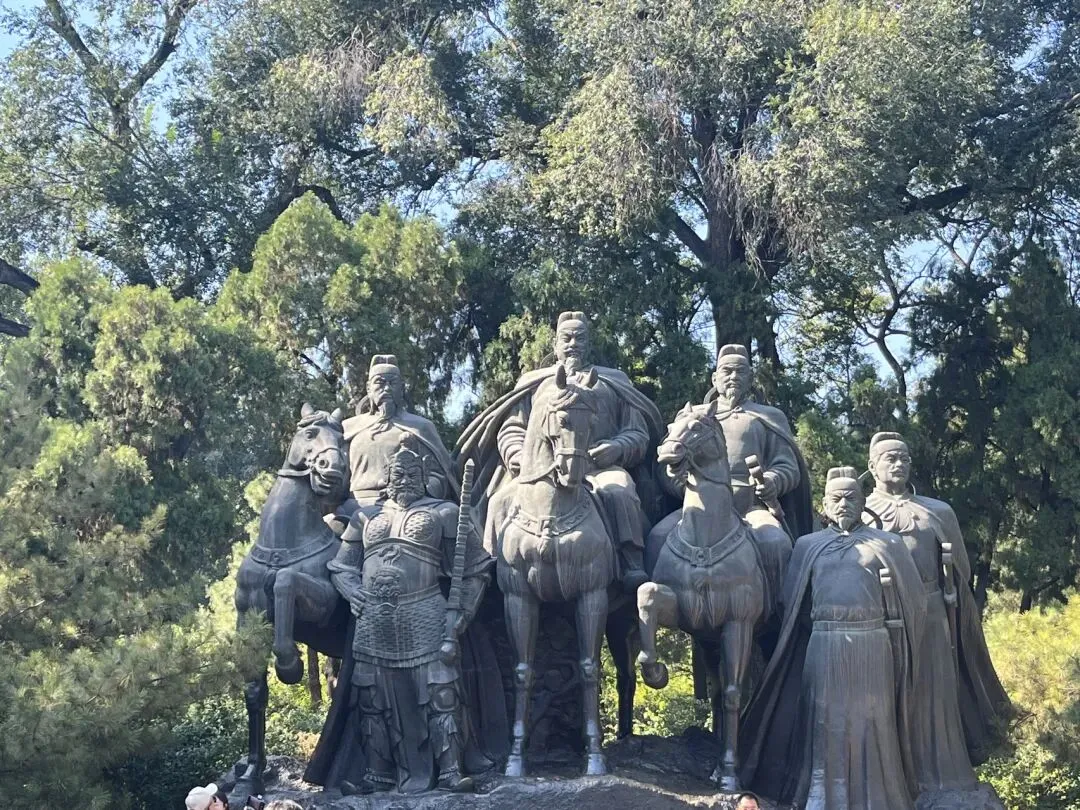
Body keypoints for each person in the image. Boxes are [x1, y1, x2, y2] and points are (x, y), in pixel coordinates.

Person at [307, 436, 493, 793]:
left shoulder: (445, 513)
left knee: (441, 694)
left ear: (424, 477)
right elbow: (342, 567)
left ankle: (450, 770)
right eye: (398, 473)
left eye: (412, 473)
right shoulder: (365, 516)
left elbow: (475, 569)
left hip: (426, 613)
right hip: (374, 620)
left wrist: (461, 615)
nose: (405, 479)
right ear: (387, 477)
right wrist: (352, 591)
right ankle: (378, 773)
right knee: (371, 698)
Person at [740, 467, 926, 810]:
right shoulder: (808, 546)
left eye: (851, 498)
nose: (843, 504)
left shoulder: (888, 544)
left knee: (873, 717)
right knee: (823, 718)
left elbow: (914, 600)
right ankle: (819, 796)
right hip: (823, 643)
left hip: (873, 644)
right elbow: (789, 603)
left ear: (863, 502)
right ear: (824, 504)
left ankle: (877, 798)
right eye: (836, 498)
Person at [456, 311, 665, 591]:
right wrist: (519, 457)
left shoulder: (613, 382)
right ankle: (491, 569)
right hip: (539, 474)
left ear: (589, 344)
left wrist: (617, 448)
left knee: (621, 491)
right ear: (555, 344)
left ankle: (631, 563)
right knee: (499, 501)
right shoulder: (534, 383)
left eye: (580, 338)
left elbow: (638, 433)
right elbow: (511, 429)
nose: (573, 344)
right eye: (566, 338)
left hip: (598, 469)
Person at [865, 431, 1011, 782]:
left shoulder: (938, 511)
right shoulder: (862, 513)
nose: (899, 464)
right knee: (887, 691)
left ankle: (945, 772)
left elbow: (961, 570)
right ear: (872, 466)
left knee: (935, 692)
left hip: (932, 611)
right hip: (882, 614)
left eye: (904, 458)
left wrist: (953, 599)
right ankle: (893, 776)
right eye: (890, 458)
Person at [334, 354, 458, 525]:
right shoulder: (349, 428)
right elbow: (336, 475)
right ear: (369, 388)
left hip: (408, 506)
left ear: (402, 388)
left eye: (392, 383)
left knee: (449, 514)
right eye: (379, 382)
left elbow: (440, 476)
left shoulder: (421, 427)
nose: (386, 388)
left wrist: (418, 487)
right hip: (356, 507)